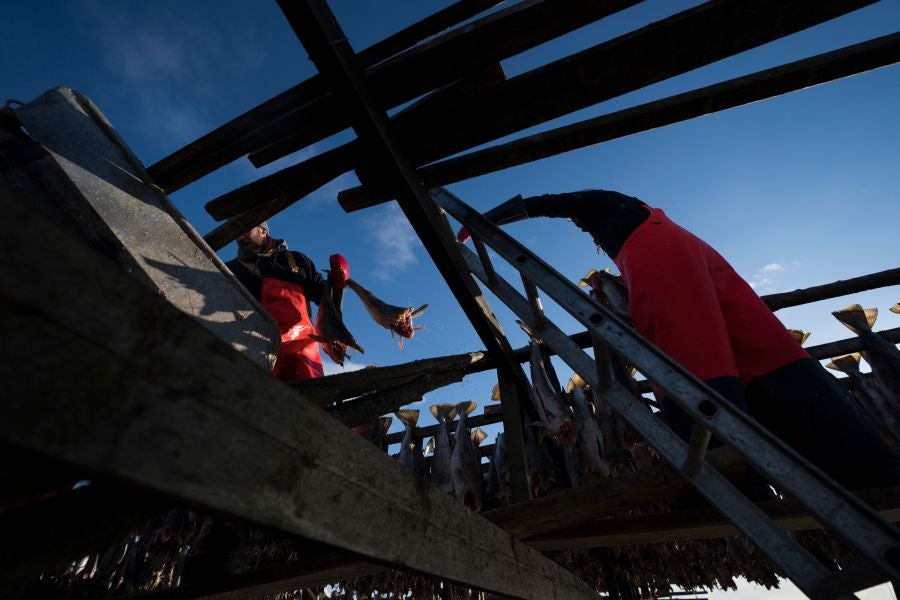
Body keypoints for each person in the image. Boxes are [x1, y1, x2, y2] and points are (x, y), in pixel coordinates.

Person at [458, 190, 900, 489]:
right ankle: (858, 460)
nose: (581, 228)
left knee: (689, 356)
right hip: (684, 254)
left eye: (582, 224)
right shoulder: (657, 227)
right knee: (760, 348)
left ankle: (731, 475)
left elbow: (555, 202)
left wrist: (490, 219)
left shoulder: (606, 209)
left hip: (653, 256)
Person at [227, 222, 347, 382]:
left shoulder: (297, 260)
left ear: (263, 230)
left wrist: (337, 285)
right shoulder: (231, 270)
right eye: (236, 233)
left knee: (310, 400)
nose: (239, 237)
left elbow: (325, 299)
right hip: (254, 346)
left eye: (244, 230)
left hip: (302, 348)